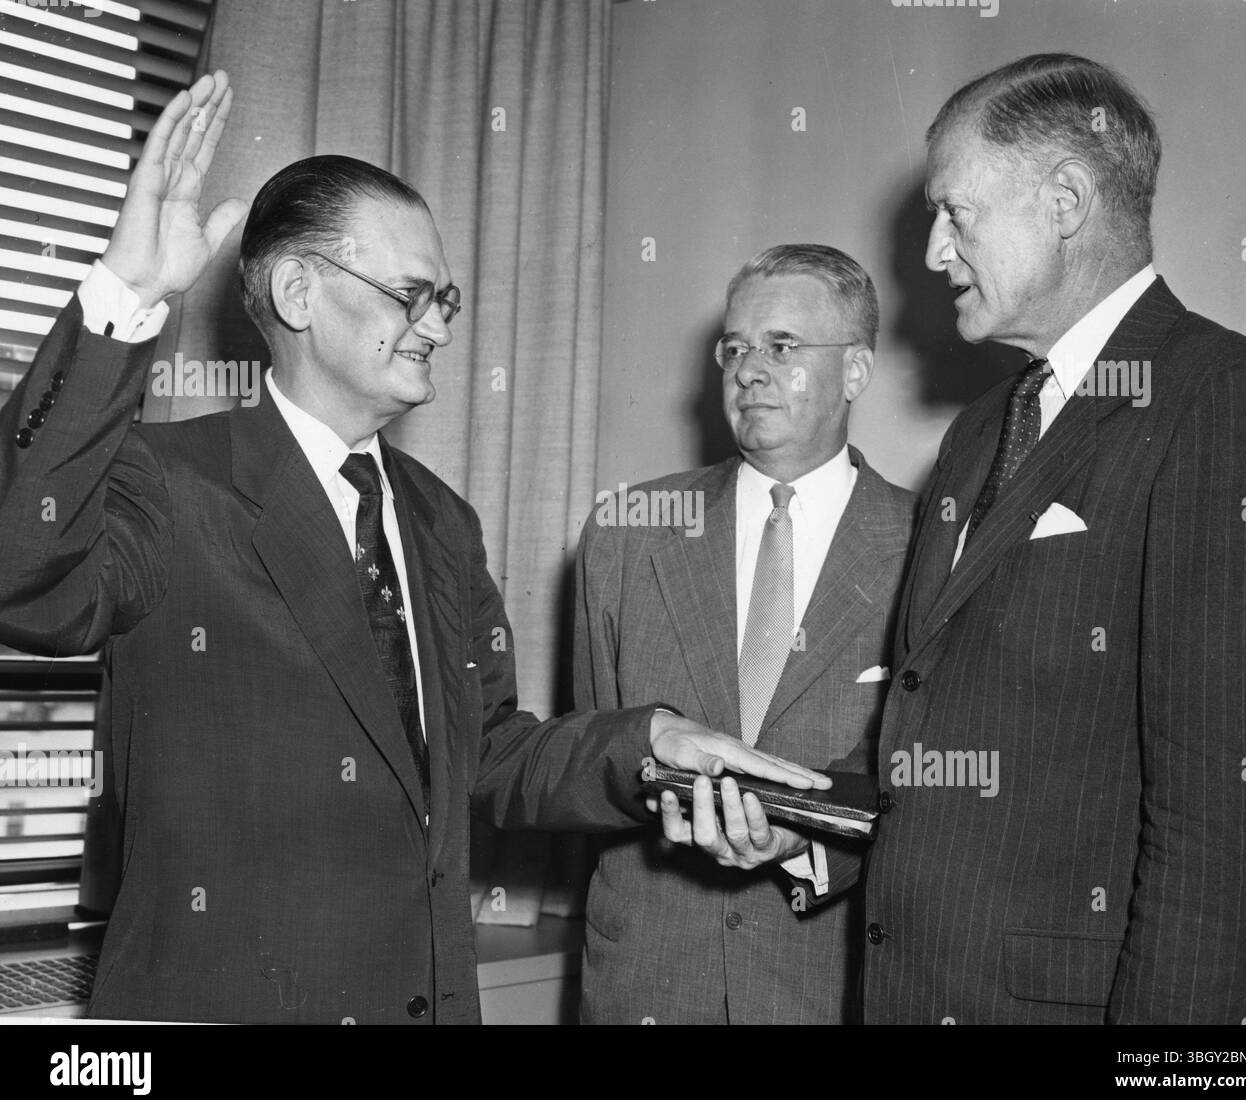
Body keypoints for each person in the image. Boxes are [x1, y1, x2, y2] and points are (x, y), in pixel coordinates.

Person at [0, 72, 822, 1024]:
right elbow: (23, 574)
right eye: (411, 293)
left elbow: (489, 753)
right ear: (299, 292)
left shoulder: (440, 519)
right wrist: (126, 293)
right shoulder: (169, 481)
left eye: (448, 297)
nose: (438, 324)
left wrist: (649, 740)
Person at [658, 53, 1246, 1024]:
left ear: (1065, 200)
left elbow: (1233, 826)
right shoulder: (976, 434)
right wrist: (804, 834)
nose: (932, 253)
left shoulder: (1221, 397)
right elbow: (953, 757)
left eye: (956, 213)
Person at [574, 245, 914, 1024]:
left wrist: (806, 847)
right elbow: (593, 753)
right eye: (734, 348)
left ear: (857, 370)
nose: (749, 369)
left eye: (783, 347)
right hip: (647, 982)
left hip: (830, 987)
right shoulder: (628, 532)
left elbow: (932, 800)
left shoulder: (930, 544)